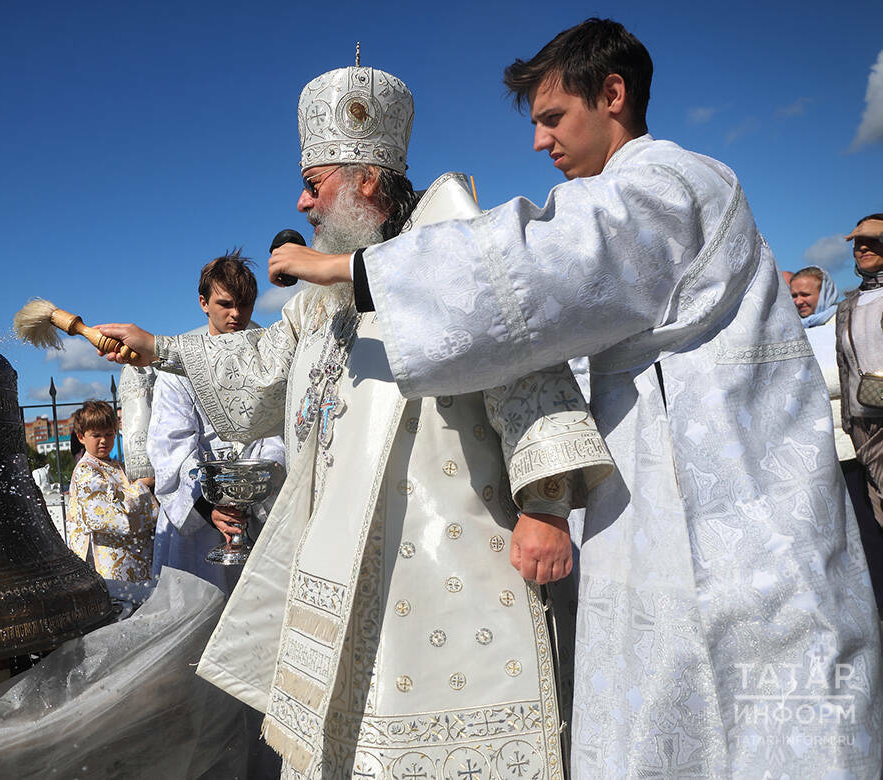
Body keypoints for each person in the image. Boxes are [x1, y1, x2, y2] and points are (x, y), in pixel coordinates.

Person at [264, 20, 882, 777]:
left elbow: (534, 271)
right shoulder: (641, 192)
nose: (537, 144)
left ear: (613, 95)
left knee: (756, 724)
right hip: (671, 513)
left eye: (552, 118)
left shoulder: (669, 183)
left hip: (733, 529)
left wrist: (353, 271)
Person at [98, 64, 614, 777]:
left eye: (314, 181)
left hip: (448, 570)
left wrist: (547, 507)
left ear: (365, 179)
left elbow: (527, 371)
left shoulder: (454, 256)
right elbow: (256, 371)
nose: (302, 200)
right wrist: (156, 349)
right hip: (341, 569)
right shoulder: (319, 297)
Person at [145, 251, 285, 595]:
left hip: (258, 509)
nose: (236, 314)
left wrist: (253, 491)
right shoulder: (179, 363)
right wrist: (210, 507)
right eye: (225, 304)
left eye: (246, 304)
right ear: (203, 303)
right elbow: (171, 443)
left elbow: (279, 430)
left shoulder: (271, 356)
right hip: (198, 520)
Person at [835, 214, 883, 607]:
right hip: (862, 427)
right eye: (856, 242)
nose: (862, 247)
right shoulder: (848, 303)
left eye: (872, 240)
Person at [65, 400, 157, 582]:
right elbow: (105, 516)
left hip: (130, 553)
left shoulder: (115, 465)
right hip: (107, 557)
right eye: (96, 435)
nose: (103, 441)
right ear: (81, 437)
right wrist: (142, 486)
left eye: (109, 434)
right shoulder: (86, 470)